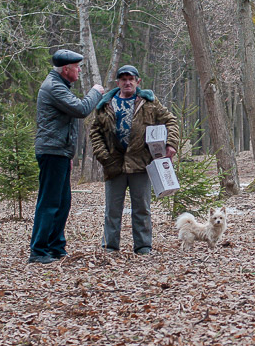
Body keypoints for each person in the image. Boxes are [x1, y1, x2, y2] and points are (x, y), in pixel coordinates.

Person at [89, 64, 180, 255]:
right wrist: (103, 155)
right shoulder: (105, 104)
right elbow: (95, 131)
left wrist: (171, 144)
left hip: (141, 163)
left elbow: (170, 121)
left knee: (142, 208)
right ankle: (110, 246)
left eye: (131, 79)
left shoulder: (149, 102)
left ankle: (143, 246)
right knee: (112, 209)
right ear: (118, 83)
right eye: (124, 79)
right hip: (114, 164)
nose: (127, 83)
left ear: (138, 82)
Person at [29, 49, 105, 264]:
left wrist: (68, 154)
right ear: (66, 69)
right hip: (52, 152)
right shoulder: (54, 87)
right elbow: (81, 109)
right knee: (49, 202)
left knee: (62, 202)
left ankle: (55, 247)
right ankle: (38, 250)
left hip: (59, 152)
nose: (79, 71)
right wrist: (95, 92)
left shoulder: (60, 86)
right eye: (77, 67)